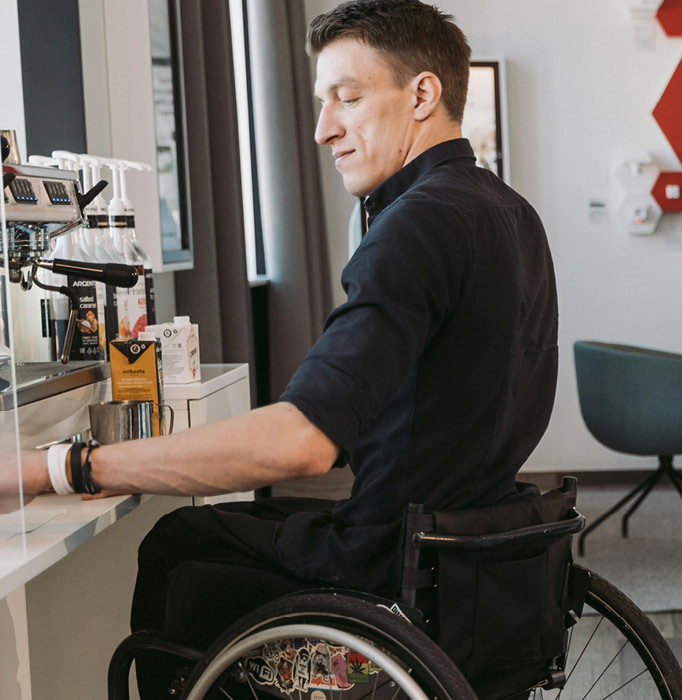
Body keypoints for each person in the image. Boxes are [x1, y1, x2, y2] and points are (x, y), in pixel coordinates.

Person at [16, 0, 558, 695]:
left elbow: (300, 445)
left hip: (387, 564)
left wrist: (64, 467)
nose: (322, 128)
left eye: (348, 97)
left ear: (423, 93)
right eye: (321, 101)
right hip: (474, 557)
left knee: (181, 547)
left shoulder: (417, 226)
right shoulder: (508, 212)